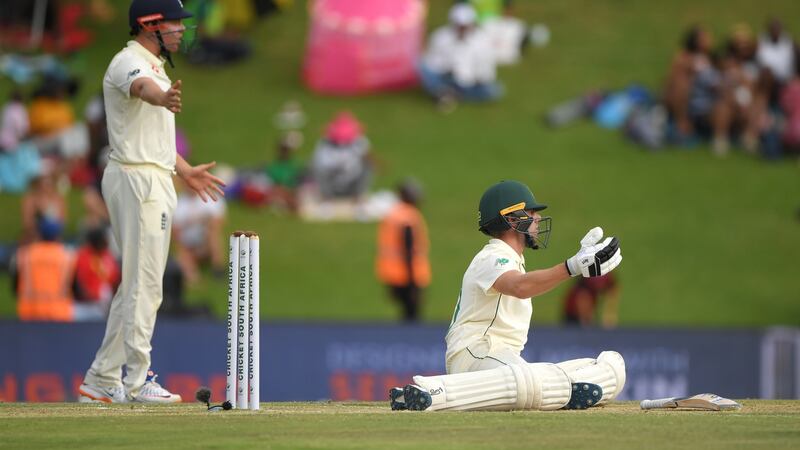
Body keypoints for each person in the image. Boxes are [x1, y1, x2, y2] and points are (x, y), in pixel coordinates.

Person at [78, 0, 225, 404]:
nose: (182, 31)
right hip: (137, 180)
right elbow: (143, 90)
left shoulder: (154, 63)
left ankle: (103, 377)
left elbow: (152, 135)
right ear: (150, 25)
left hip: (151, 175)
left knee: (137, 285)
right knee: (145, 285)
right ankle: (138, 379)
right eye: (176, 24)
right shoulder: (130, 61)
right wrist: (161, 99)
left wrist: (184, 169)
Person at [390, 180, 625, 411]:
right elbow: (520, 286)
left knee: (611, 367)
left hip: (502, 362)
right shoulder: (492, 256)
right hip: (476, 354)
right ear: (512, 219)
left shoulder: (514, 260)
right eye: (532, 212)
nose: (538, 219)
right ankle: (432, 391)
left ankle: (562, 392)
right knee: (529, 381)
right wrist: (572, 266)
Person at [418, 3, 502, 110]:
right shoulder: (441, 36)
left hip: (471, 82)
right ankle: (447, 93)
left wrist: (474, 78)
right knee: (421, 66)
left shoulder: (482, 40)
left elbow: (486, 68)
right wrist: (448, 69)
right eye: (459, 26)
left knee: (495, 90)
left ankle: (450, 95)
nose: (462, 29)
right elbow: (432, 62)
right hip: (446, 77)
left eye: (465, 26)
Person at [376, 179, 431, 322]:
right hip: (409, 276)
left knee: (404, 315)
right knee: (412, 316)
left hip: (393, 274)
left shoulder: (393, 214)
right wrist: (413, 284)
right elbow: (409, 251)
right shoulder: (408, 217)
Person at [12, 216, 75, 322]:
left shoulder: (24, 254)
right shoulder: (67, 256)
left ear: (39, 234)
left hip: (29, 313)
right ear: (58, 235)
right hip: (59, 313)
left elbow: (14, 285)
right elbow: (74, 286)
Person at [172, 179, 227, 284]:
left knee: (213, 234)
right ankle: (192, 276)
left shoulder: (211, 198)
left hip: (205, 241)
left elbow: (218, 222)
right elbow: (175, 232)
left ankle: (218, 268)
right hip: (188, 245)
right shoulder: (178, 203)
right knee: (182, 251)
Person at [309, 111, 373, 201]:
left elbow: (367, 162)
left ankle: (358, 198)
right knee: (315, 166)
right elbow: (319, 165)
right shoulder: (324, 144)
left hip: (352, 184)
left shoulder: (360, 142)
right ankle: (326, 198)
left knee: (368, 167)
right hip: (331, 184)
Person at [73, 226, 120, 321]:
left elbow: (116, 281)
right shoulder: (84, 256)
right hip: (86, 306)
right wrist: (92, 298)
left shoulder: (108, 256)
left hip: (107, 306)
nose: (106, 243)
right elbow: (79, 285)